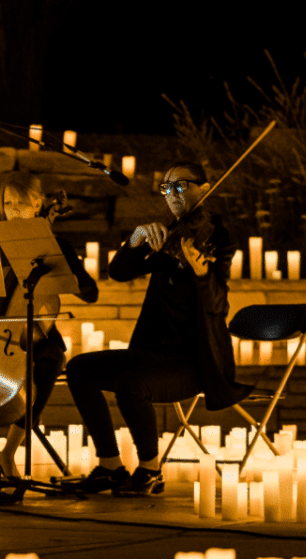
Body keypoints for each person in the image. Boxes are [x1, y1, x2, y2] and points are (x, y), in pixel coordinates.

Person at [64, 161, 251, 496]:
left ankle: (151, 471)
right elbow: (119, 273)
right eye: (167, 188)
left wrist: (201, 274)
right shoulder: (167, 235)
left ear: (204, 189)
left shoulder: (217, 239)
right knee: (79, 369)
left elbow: (219, 306)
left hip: (194, 362)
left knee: (130, 384)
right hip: (152, 353)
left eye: (181, 185)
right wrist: (135, 240)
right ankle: (110, 465)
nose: (173, 195)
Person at [0, 174, 99, 478]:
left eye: (19, 202)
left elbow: (91, 293)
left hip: (33, 335)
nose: (11, 210)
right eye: (6, 203)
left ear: (37, 203)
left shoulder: (57, 245)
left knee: (49, 361)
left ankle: (8, 453)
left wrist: (69, 275)